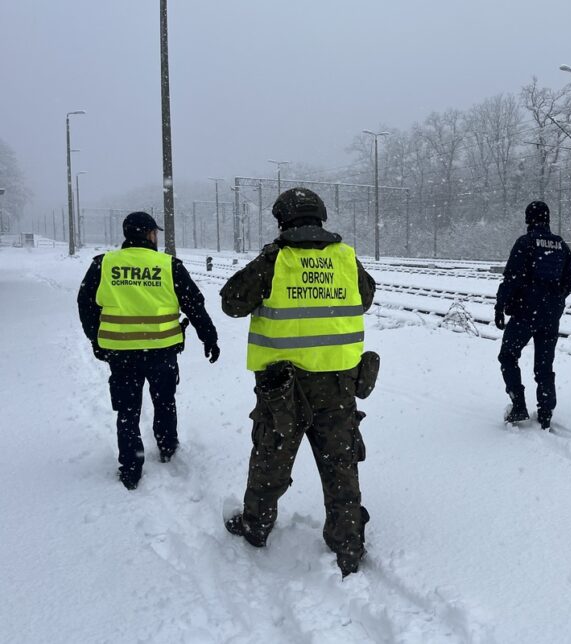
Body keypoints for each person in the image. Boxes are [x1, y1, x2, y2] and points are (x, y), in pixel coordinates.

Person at [220, 187, 377, 578]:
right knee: (340, 464)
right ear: (321, 218)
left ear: (282, 222)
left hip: (282, 388)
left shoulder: (275, 260)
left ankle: (256, 526)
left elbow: (231, 301)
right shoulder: (346, 258)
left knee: (271, 457)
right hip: (338, 384)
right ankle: (347, 542)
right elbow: (366, 296)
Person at [77, 211, 220, 490]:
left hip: (120, 354)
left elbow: (86, 305)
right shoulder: (168, 265)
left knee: (127, 411)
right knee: (164, 401)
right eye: (155, 233)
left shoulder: (103, 264)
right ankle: (167, 447)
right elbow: (194, 305)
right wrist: (209, 337)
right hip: (161, 351)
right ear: (149, 235)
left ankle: (131, 467)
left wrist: (97, 340)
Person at [494, 200, 571, 429]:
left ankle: (518, 404)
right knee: (544, 364)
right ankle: (546, 410)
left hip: (524, 313)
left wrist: (500, 306)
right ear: (548, 218)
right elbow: (570, 282)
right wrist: (554, 301)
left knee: (508, 356)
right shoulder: (561, 246)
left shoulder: (525, 243)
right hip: (550, 317)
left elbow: (511, 278)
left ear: (529, 219)